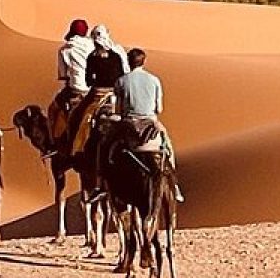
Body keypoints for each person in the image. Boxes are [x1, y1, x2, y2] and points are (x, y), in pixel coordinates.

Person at [90, 48, 183, 203]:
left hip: (128, 123)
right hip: (150, 122)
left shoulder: (121, 81)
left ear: (128, 62)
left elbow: (119, 110)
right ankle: (174, 183)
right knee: (168, 147)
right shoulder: (154, 80)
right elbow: (159, 109)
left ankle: (100, 185)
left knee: (104, 145)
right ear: (143, 61)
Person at [70, 24, 129, 156]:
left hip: (98, 94)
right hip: (116, 94)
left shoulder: (92, 57)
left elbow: (88, 81)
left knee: (80, 116)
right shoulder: (117, 56)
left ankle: (77, 149)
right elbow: (121, 75)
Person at [48, 19, 95, 146]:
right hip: (95, 89)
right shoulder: (94, 46)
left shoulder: (65, 49)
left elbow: (63, 76)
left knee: (52, 110)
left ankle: (52, 144)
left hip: (77, 89)